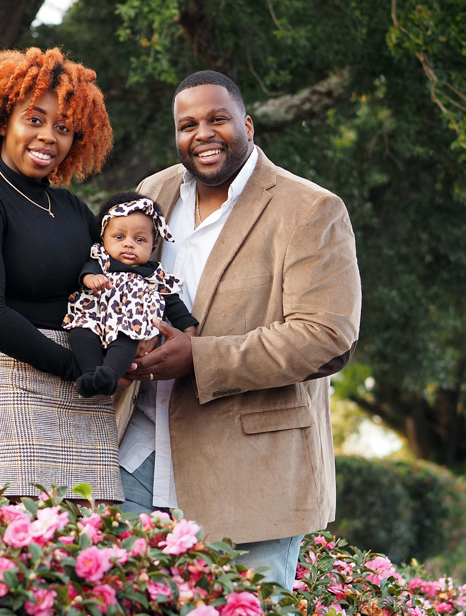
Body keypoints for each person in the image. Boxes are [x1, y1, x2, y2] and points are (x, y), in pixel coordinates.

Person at [114, 71, 362, 587]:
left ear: (245, 124)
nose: (201, 133)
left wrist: (200, 358)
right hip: (136, 455)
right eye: (187, 124)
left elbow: (326, 336)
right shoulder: (151, 193)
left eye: (216, 119)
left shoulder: (311, 209)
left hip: (252, 475)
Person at [0, 48, 122, 502]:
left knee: (93, 543)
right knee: (25, 548)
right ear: (4, 120)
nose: (48, 137)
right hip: (6, 379)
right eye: (35, 119)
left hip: (81, 386)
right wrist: (76, 367)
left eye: (63, 128)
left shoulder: (74, 209)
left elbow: (106, 284)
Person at [63, 192, 199, 398]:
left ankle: (110, 374)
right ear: (103, 240)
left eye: (139, 239)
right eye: (119, 237)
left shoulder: (154, 275)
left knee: (128, 339)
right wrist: (91, 279)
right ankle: (91, 373)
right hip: (95, 316)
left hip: (128, 323)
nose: (128, 244)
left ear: (152, 248)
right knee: (80, 332)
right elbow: (86, 272)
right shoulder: (101, 261)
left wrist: (188, 331)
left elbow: (174, 303)